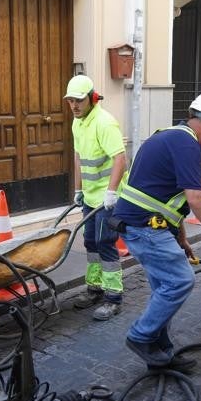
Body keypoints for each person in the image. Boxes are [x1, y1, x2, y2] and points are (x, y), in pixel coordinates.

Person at [111, 91, 201, 371]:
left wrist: (182, 239)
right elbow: (196, 199)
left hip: (144, 225)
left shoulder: (173, 137)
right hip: (143, 228)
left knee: (164, 286)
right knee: (179, 281)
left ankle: (159, 351)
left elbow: (172, 199)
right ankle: (141, 336)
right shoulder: (186, 144)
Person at [64, 75, 128, 321]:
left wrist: (112, 192)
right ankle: (94, 287)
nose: (74, 106)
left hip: (107, 197)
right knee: (90, 242)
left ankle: (113, 297)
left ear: (91, 98)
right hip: (90, 196)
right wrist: (78, 189)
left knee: (105, 242)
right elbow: (79, 158)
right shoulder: (77, 123)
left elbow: (119, 159)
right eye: (70, 101)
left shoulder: (104, 123)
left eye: (79, 101)